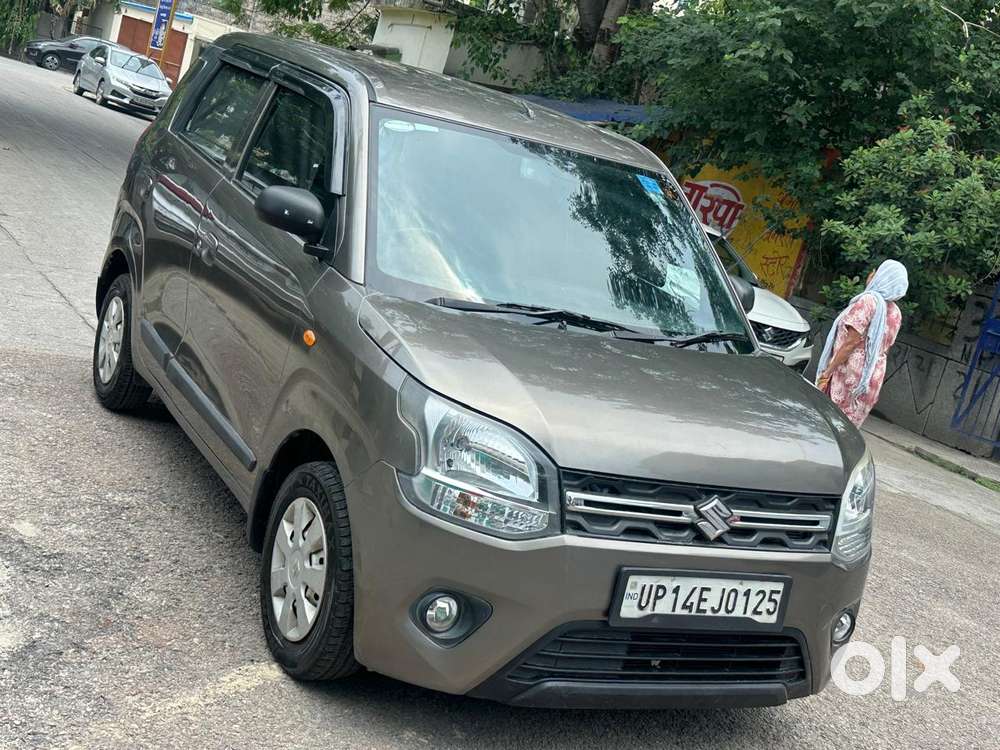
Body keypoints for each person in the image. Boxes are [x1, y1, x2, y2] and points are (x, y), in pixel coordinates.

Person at [815, 260, 909, 426]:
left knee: (828, 424)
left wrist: (827, 371)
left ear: (883, 277)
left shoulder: (868, 302)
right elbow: (885, 348)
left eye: (876, 272)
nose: (871, 275)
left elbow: (850, 343)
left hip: (849, 374)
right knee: (848, 429)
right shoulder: (896, 313)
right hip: (872, 377)